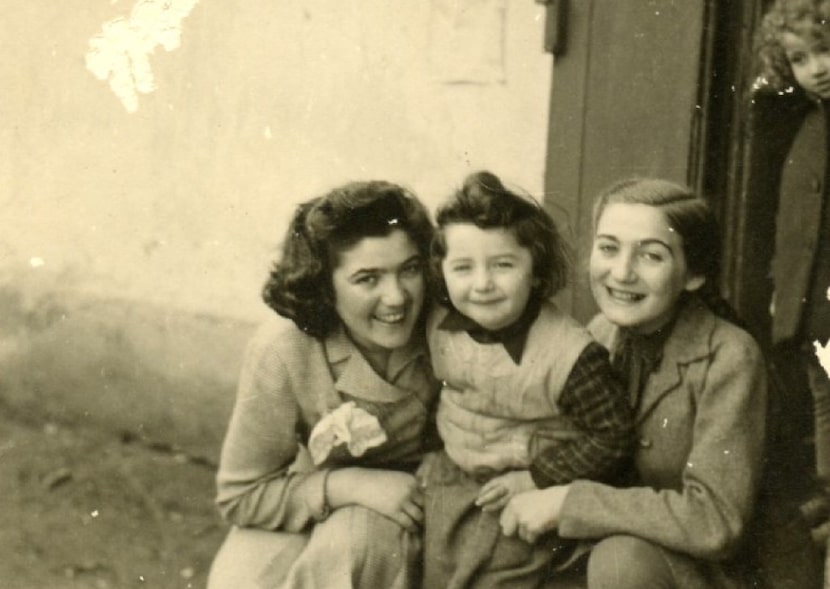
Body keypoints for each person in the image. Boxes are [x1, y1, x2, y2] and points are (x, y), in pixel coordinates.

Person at [498, 178, 770, 588]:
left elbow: (716, 521)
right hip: (608, 544)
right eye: (608, 248)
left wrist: (569, 502)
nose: (622, 273)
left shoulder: (728, 356)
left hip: (701, 569)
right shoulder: (599, 333)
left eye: (651, 256)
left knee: (619, 561)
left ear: (693, 275)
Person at [206, 180, 440, 589]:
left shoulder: (446, 326)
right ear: (325, 287)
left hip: (416, 499)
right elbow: (241, 496)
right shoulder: (283, 349)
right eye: (368, 278)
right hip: (318, 485)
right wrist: (345, 485)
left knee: (356, 549)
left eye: (410, 269)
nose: (397, 297)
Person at [419, 171, 633, 588]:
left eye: (503, 265)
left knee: (499, 575)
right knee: (437, 571)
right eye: (463, 267)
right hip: (456, 477)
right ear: (441, 271)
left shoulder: (570, 355)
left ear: (535, 270)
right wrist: (431, 449)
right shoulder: (435, 327)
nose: (482, 284)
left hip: (531, 484)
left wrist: (536, 477)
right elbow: (432, 396)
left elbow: (614, 436)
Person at [754, 0, 830, 581]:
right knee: (825, 408)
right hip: (817, 313)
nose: (816, 69)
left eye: (826, 49)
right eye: (801, 57)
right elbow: (793, 228)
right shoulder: (808, 129)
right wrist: (788, 296)